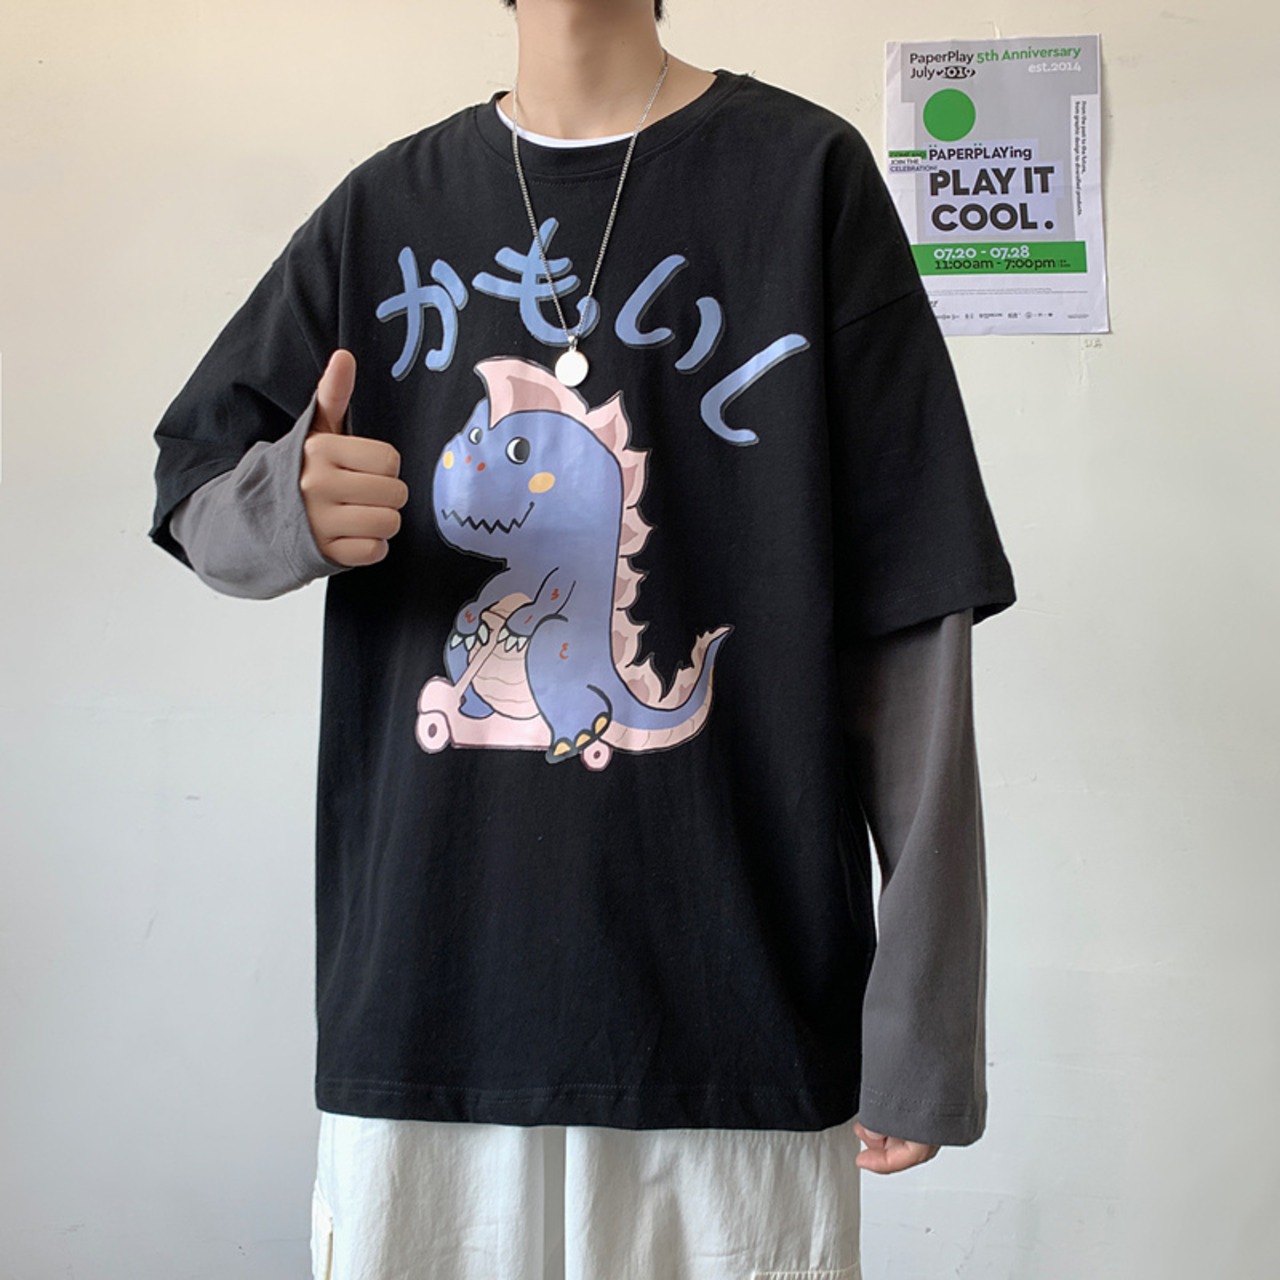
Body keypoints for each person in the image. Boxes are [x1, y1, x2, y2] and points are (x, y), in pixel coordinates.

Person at [148, 1, 1016, 1275]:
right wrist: (289, 504)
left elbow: (913, 618)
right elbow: (192, 484)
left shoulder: (805, 178)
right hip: (430, 1000)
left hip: (737, 1015)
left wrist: (921, 1033)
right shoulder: (385, 209)